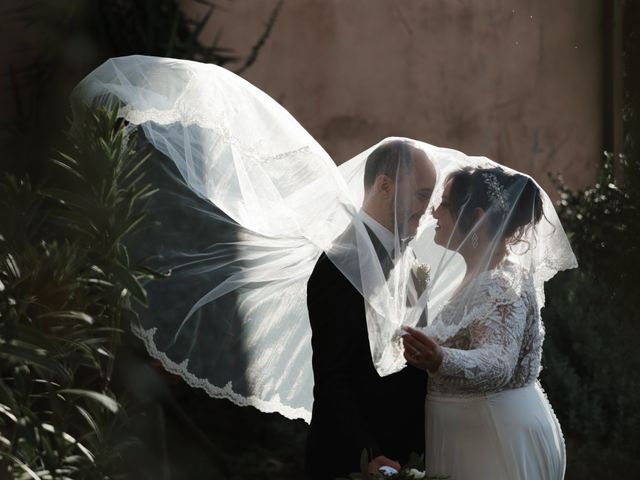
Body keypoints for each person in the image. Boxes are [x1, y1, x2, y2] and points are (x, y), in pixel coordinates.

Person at [402, 166, 571, 480]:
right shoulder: (474, 277)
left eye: (445, 203)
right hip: (472, 436)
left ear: (477, 216)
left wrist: (440, 358)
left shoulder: (502, 283)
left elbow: (499, 362)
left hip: (495, 439)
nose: (434, 211)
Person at [305, 140, 436, 479]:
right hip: (356, 462)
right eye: (422, 195)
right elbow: (333, 377)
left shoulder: (412, 261)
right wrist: (369, 454)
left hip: (406, 456)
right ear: (385, 185)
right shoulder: (340, 263)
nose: (427, 208)